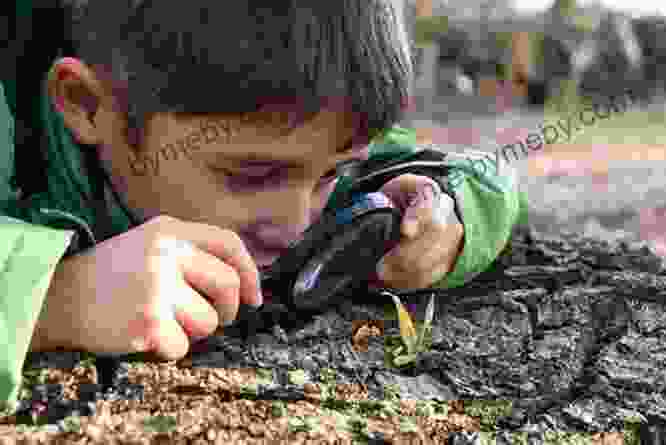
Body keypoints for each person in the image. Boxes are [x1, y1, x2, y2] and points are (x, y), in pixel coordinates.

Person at [0, 0, 527, 408]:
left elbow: (481, 172)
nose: (297, 223)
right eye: (251, 175)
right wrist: (50, 298)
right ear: (87, 105)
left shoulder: (305, 135)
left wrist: (453, 214)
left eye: (333, 172)